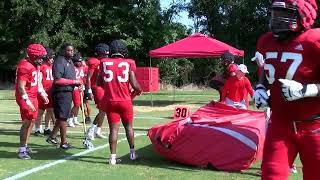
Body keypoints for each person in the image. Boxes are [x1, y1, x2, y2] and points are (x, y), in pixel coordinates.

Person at [253, 0, 320, 179]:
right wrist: (260, 86)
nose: (277, 19)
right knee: (271, 175)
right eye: (275, 13)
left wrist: (307, 90)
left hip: (314, 126)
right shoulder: (266, 41)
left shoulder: (315, 40)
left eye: (285, 14)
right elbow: (267, 69)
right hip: (280, 124)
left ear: (303, 16)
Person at [97, 40, 142, 165]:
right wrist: (136, 91)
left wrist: (110, 87)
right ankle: (132, 154)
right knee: (129, 127)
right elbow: (135, 85)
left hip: (111, 101)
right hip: (125, 101)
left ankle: (112, 158)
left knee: (113, 130)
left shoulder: (104, 62)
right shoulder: (129, 63)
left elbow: (99, 82)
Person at [15, 43, 48, 159]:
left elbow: (37, 82)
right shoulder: (25, 66)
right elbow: (21, 86)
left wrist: (42, 93)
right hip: (25, 97)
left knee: (33, 121)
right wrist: (27, 101)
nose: (41, 60)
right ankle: (22, 149)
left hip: (33, 96)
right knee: (27, 122)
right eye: (39, 57)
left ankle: (25, 145)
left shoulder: (36, 66)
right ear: (32, 56)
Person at [46, 43, 81, 149]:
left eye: (72, 50)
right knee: (63, 118)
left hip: (68, 92)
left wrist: (76, 84)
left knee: (63, 116)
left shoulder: (70, 62)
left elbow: (70, 78)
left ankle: (52, 136)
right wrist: (73, 81)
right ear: (62, 51)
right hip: (61, 92)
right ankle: (63, 142)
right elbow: (58, 80)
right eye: (68, 50)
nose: (71, 52)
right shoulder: (59, 61)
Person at [85, 43, 110, 139]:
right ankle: (91, 130)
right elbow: (88, 78)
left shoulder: (105, 61)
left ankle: (98, 130)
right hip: (97, 87)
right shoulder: (94, 62)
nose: (106, 56)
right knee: (102, 109)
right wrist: (89, 90)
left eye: (107, 54)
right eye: (105, 54)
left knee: (104, 110)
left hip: (104, 87)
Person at [34, 47, 56, 136]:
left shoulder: (53, 66)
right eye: (51, 57)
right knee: (40, 111)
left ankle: (47, 128)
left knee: (50, 110)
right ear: (47, 57)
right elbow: (39, 80)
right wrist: (42, 92)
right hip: (43, 92)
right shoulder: (42, 66)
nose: (52, 59)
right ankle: (38, 129)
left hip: (51, 92)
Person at [68, 53, 86, 127]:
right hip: (74, 87)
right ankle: (70, 119)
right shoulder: (71, 68)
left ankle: (75, 119)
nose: (79, 63)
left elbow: (84, 76)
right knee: (76, 104)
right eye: (77, 61)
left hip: (81, 87)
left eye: (80, 61)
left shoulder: (83, 67)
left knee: (79, 104)